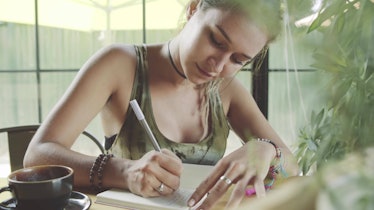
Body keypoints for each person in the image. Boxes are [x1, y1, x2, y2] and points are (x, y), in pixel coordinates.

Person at [24, 0, 299, 209]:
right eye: (215, 40)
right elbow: (38, 155)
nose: (217, 65)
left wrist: (265, 149)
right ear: (193, 9)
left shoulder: (226, 90)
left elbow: (293, 165)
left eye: (238, 60)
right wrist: (126, 171)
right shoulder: (119, 64)